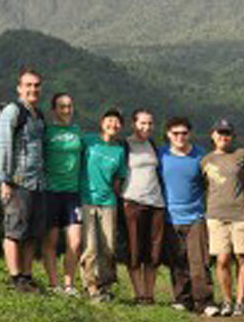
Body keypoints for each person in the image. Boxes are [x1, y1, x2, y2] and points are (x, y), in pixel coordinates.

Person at [159, 117, 219, 317]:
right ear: (168, 134)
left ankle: (205, 301)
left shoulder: (200, 156)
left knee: (199, 261)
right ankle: (182, 300)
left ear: (189, 134)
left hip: (195, 216)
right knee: (177, 262)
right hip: (170, 217)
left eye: (184, 133)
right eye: (175, 133)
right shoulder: (161, 155)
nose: (180, 137)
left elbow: (210, 182)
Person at [0, 67, 46, 293]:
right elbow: (3, 146)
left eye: (36, 85)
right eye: (28, 85)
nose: (32, 89)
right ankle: (15, 278)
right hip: (17, 181)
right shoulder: (12, 112)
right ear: (19, 88)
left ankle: (26, 276)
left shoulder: (38, 114)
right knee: (14, 232)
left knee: (31, 234)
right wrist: (4, 180)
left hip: (37, 182)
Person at [201, 119, 244, 316]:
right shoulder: (205, 161)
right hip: (215, 215)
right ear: (212, 135)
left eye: (227, 133)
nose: (223, 136)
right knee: (222, 259)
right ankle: (227, 300)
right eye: (220, 133)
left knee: (241, 257)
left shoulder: (241, 155)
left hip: (239, 213)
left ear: (233, 136)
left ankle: (240, 301)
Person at [79, 107, 128, 302]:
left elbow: (118, 179)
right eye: (109, 120)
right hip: (86, 200)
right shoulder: (88, 141)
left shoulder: (119, 151)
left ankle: (106, 286)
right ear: (102, 122)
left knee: (109, 248)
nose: (113, 125)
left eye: (117, 122)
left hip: (108, 203)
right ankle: (90, 287)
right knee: (90, 248)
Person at [41, 93, 84, 297]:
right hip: (50, 191)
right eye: (61, 107)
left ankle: (69, 285)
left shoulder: (77, 131)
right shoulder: (47, 131)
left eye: (69, 106)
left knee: (75, 242)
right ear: (54, 110)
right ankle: (53, 284)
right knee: (51, 240)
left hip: (72, 193)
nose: (66, 111)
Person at [122, 108, 166, 305]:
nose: (146, 127)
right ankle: (139, 293)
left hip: (156, 203)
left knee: (153, 251)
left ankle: (150, 293)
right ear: (134, 124)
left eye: (149, 123)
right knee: (135, 250)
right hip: (133, 202)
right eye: (142, 123)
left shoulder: (152, 145)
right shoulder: (126, 145)